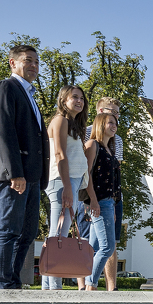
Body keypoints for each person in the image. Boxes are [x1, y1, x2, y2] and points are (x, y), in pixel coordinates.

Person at [0, 44, 50, 289]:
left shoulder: (30, 95)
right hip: (17, 174)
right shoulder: (5, 88)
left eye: (36, 61)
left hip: (33, 176)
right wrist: (15, 173)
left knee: (27, 233)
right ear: (13, 63)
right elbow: (4, 133)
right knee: (10, 229)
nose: (34, 65)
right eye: (28, 60)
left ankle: (13, 281)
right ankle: (3, 283)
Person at [42, 85, 91, 290]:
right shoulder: (60, 120)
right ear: (63, 100)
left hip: (71, 181)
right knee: (59, 234)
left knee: (57, 232)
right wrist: (67, 188)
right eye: (74, 97)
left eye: (82, 98)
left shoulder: (73, 125)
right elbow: (60, 155)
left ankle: (47, 285)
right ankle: (55, 286)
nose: (79, 101)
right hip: (63, 181)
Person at [81, 98, 124, 291]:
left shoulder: (110, 148)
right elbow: (87, 175)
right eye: (110, 122)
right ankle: (90, 284)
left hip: (109, 202)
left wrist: (114, 205)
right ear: (100, 122)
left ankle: (89, 286)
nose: (114, 125)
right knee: (107, 247)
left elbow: (115, 180)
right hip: (98, 202)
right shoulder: (93, 145)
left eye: (115, 122)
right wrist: (92, 202)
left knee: (94, 246)